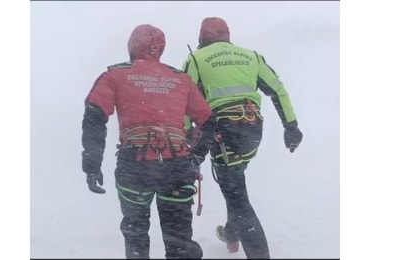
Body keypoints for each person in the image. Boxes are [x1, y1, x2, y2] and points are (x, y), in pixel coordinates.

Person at [81, 24, 216, 259]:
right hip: (176, 166)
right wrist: (194, 156)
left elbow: (94, 116)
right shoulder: (181, 79)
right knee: (178, 239)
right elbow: (208, 122)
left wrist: (92, 165)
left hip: (135, 166)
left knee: (136, 234)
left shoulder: (115, 75)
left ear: (132, 46)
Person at [182, 17, 304, 259]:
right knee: (235, 182)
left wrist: (187, 135)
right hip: (252, 132)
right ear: (227, 36)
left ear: (201, 38)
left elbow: (184, 98)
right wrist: (291, 127)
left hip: (221, 133)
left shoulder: (195, 58)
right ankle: (231, 234)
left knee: (238, 197)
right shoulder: (251, 56)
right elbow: (277, 90)